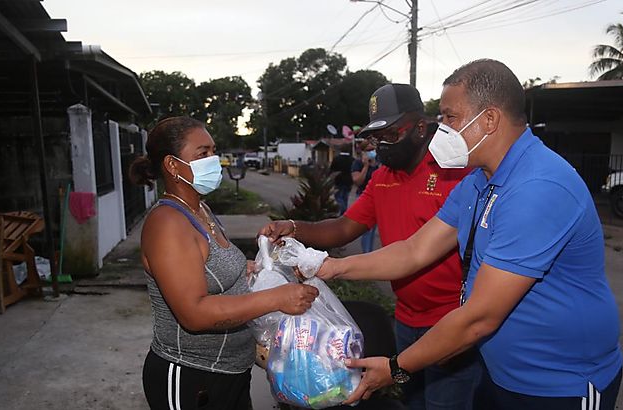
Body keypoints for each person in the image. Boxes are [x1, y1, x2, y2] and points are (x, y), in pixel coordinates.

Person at [316, 60, 623, 410]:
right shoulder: (479, 181)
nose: (441, 129)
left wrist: (395, 368)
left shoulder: (537, 187)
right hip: (501, 374)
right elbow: (414, 250)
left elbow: (480, 318)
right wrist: (330, 267)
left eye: (450, 117)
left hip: (558, 384)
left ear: (489, 120)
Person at [260, 84, 475, 410]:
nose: (381, 144)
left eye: (390, 133)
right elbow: (346, 227)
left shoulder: (453, 173)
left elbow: (420, 252)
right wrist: (294, 228)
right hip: (406, 319)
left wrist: (334, 267)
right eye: (376, 136)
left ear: (419, 128)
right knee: (414, 402)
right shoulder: (383, 177)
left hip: (450, 321)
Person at [128, 116, 319, 410]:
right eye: (202, 153)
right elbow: (194, 313)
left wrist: (253, 269)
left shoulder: (200, 208)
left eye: (213, 151)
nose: (213, 160)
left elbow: (205, 268)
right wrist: (275, 298)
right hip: (191, 378)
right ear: (173, 165)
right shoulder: (167, 223)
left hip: (230, 373)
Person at [350, 141, 380, 253]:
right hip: (363, 197)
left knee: (373, 230)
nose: (371, 152)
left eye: (372, 149)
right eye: (368, 150)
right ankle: (367, 253)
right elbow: (357, 181)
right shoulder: (357, 164)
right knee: (367, 228)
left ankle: (370, 252)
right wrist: (366, 166)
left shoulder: (379, 163)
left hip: (378, 199)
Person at [329, 149, 354, 215]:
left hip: (338, 180)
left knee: (338, 196)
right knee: (345, 197)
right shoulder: (352, 159)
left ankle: (343, 208)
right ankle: (344, 212)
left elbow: (332, 170)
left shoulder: (336, 159)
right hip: (349, 181)